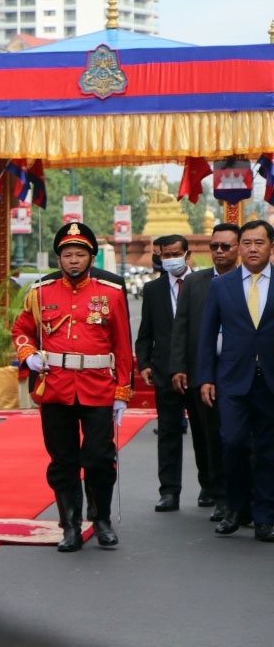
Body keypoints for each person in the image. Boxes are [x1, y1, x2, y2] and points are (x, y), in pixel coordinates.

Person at [12, 222, 133, 553]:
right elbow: (21, 329)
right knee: (62, 460)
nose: (74, 261)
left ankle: (102, 520)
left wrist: (122, 392)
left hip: (97, 388)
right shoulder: (40, 292)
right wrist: (28, 355)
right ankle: (69, 524)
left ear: (91, 257)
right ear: (59, 258)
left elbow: (122, 346)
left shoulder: (110, 294)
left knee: (98, 457)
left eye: (80, 254)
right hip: (56, 388)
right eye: (68, 255)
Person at [197, 219, 274, 542]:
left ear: (271, 247)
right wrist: (205, 377)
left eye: (259, 242)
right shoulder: (222, 285)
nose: (252, 248)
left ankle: (265, 517)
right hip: (230, 379)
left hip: (269, 380)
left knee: (269, 450)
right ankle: (234, 506)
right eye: (247, 243)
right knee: (233, 442)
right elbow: (206, 334)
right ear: (239, 248)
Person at [170, 223, 238, 523]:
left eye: (225, 246)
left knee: (237, 437)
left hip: (241, 371)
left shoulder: (249, 281)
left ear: (237, 249)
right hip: (203, 371)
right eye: (214, 246)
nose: (219, 252)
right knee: (207, 435)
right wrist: (179, 367)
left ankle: (241, 494)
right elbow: (181, 328)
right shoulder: (196, 283)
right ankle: (216, 491)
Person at [136, 234, 195, 513]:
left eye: (175, 253)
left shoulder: (207, 283)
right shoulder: (152, 290)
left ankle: (211, 486)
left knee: (207, 433)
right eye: (165, 255)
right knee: (169, 433)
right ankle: (169, 491)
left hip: (200, 371)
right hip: (164, 370)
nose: (170, 259)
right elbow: (145, 333)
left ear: (187, 253)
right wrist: (144, 364)